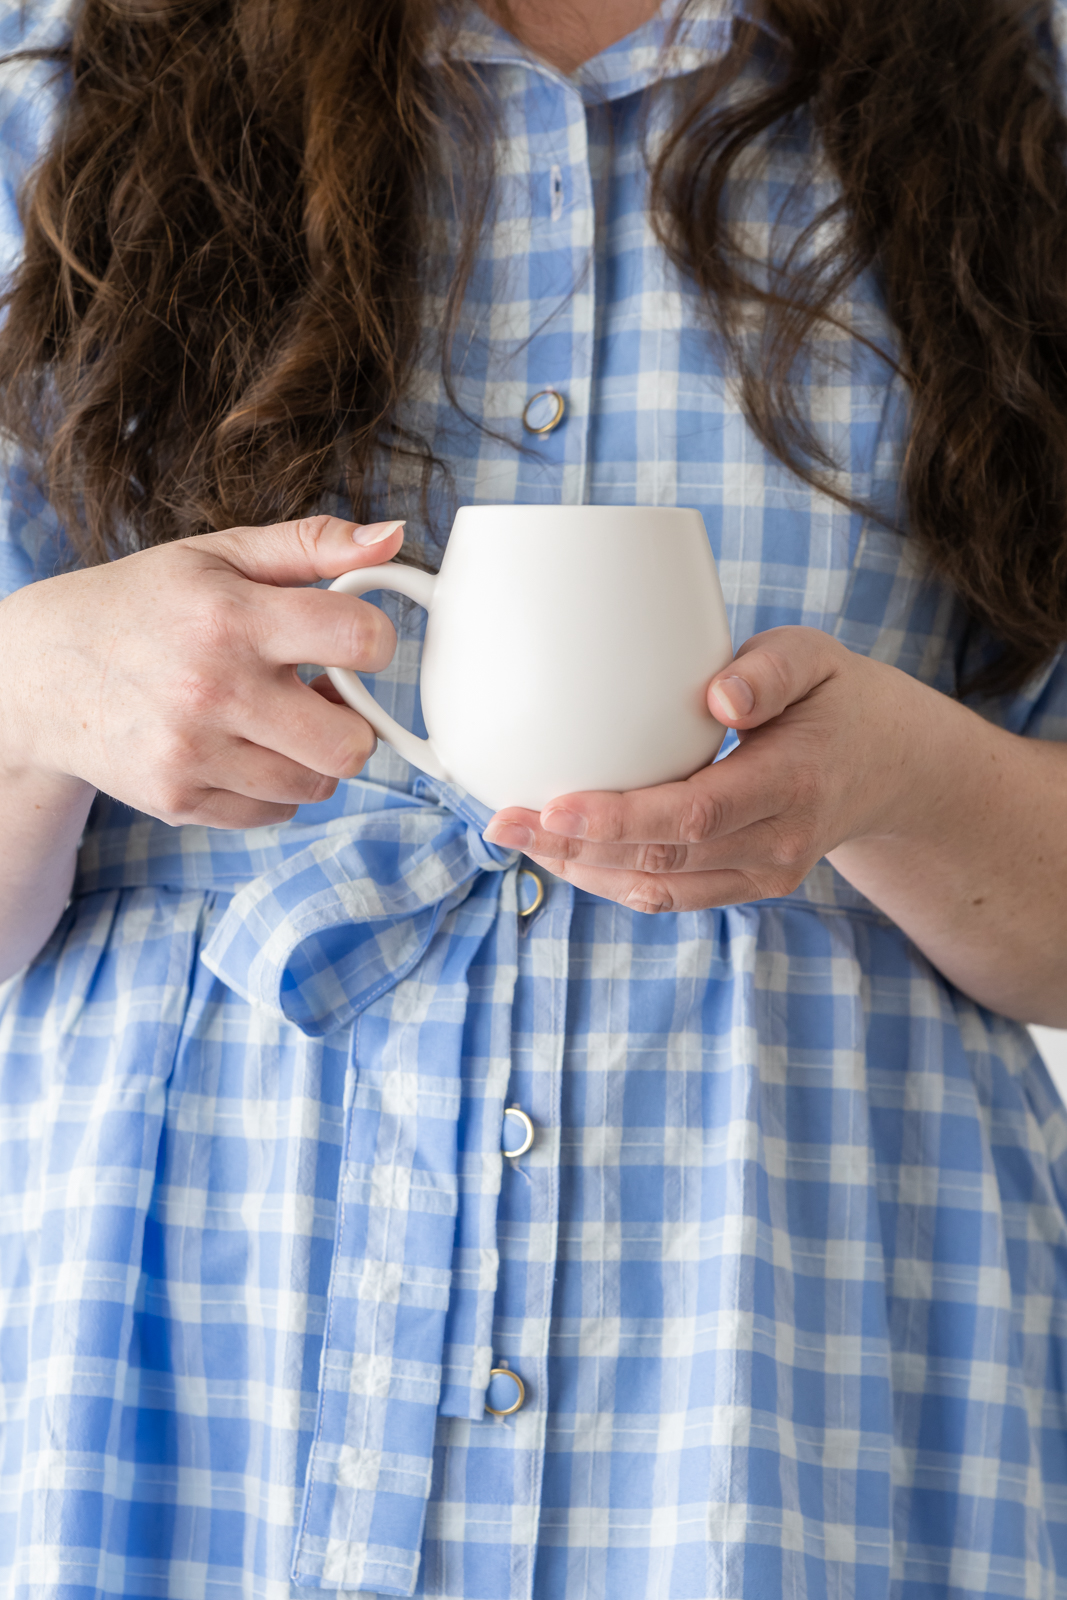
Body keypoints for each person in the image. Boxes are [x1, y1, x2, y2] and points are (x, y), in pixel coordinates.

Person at [1, 0, 1067, 1595]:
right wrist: (35, 689)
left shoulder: (1016, 107)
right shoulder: (56, 86)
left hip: (802, 1373)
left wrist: (897, 777)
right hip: (191, 1373)